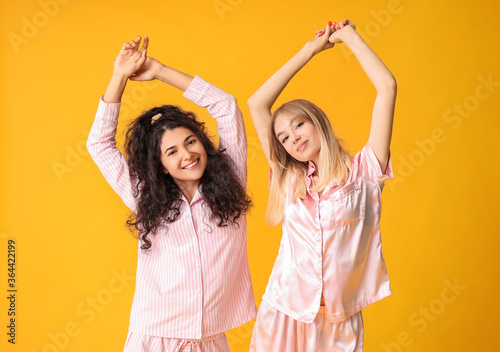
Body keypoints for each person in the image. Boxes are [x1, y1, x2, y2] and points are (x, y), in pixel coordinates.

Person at [87, 36, 256, 352]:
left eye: (191, 142)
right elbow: (99, 144)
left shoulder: (231, 180)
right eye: (172, 151)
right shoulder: (144, 195)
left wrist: (159, 70)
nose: (187, 155)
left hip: (211, 338)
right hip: (155, 337)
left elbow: (226, 105)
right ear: (161, 165)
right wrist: (119, 76)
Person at [247, 19, 397, 351]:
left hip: (339, 319)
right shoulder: (288, 178)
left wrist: (351, 39)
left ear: (318, 123)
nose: (292, 138)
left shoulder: (365, 172)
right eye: (283, 137)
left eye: (298, 125)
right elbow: (256, 103)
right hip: (285, 311)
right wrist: (310, 50)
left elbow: (387, 87)